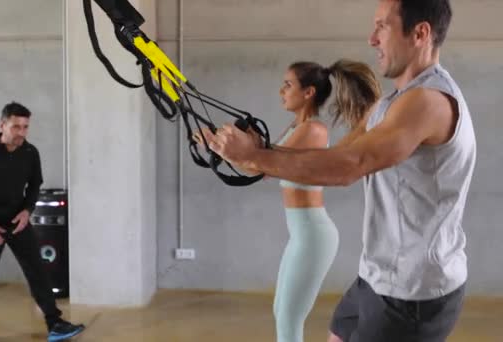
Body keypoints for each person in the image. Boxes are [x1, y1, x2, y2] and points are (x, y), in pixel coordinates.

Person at [208, 1, 475, 341]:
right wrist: (250, 153)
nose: (371, 39)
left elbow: (351, 166)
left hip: (413, 291)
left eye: (382, 26)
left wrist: (256, 157)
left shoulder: (428, 102)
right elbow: (337, 156)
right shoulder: (390, 104)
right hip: (377, 275)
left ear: (420, 33)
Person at [195, 59, 381, 342]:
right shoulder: (296, 129)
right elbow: (261, 169)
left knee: (289, 317)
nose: (282, 91)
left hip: (313, 234)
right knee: (281, 310)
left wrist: (227, 149)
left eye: (288, 85)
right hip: (302, 233)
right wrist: (222, 148)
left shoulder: (313, 130)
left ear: (308, 93)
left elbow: (260, 166)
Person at [0, 102, 85, 342]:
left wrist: (28, 211)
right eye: (16, 126)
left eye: (25, 127)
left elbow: (35, 185)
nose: (21, 132)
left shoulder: (30, 153)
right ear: (2, 125)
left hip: (18, 222)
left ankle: (55, 324)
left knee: (38, 273)